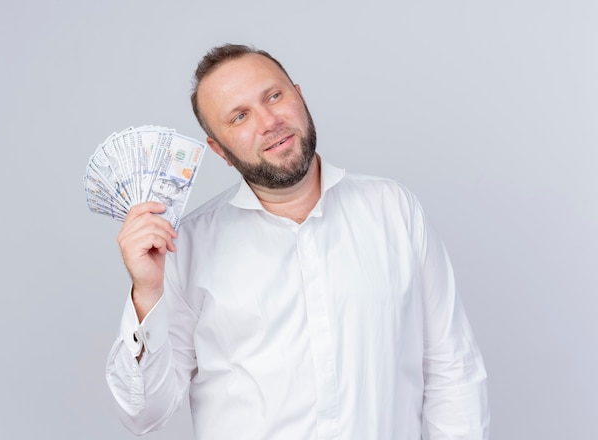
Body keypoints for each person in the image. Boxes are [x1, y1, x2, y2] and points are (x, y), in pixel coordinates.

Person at [106, 43, 490, 439]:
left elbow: (452, 370)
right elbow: (143, 416)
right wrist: (146, 295)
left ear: (300, 97)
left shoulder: (394, 210)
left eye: (274, 96)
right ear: (219, 150)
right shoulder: (185, 247)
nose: (269, 121)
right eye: (240, 116)